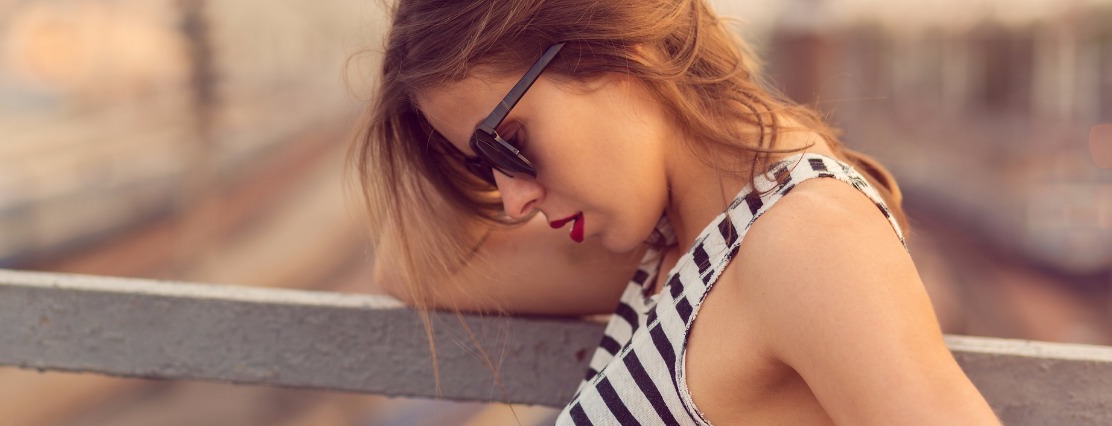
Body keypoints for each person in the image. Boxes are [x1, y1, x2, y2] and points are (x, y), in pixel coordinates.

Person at [352, 0, 1000, 424]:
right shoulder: (680, 247)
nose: (512, 198)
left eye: (510, 143)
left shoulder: (804, 242)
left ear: (618, 49)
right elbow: (417, 266)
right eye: (479, 164)